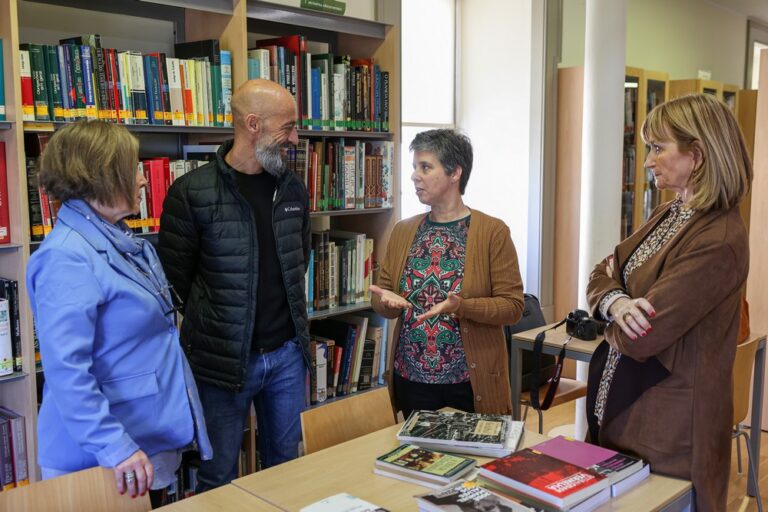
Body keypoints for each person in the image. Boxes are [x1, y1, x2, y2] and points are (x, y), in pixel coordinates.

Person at [26, 121, 211, 502]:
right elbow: (67, 372)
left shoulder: (118, 239)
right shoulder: (66, 257)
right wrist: (115, 446)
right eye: (134, 169)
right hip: (105, 456)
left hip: (142, 438)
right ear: (99, 177)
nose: (144, 180)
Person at [585, 93, 752, 511]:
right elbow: (599, 273)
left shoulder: (718, 240)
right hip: (629, 418)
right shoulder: (671, 212)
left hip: (669, 434)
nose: (647, 161)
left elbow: (643, 337)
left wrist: (610, 304)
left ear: (696, 154)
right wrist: (617, 305)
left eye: (658, 148)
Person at [158, 79, 310, 491]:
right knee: (217, 475)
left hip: (287, 358)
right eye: (288, 127)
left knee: (288, 468)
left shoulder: (292, 188)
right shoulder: (191, 193)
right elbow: (176, 280)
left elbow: (300, 259)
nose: (295, 139)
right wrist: (222, 324)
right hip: (221, 363)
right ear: (253, 124)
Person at [370, 129, 524, 418]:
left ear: (455, 173)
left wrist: (462, 307)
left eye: (426, 167)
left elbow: (513, 307)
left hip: (469, 384)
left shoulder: (493, 232)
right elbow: (383, 297)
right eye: (414, 167)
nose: (415, 176)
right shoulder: (403, 230)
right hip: (410, 380)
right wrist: (385, 303)